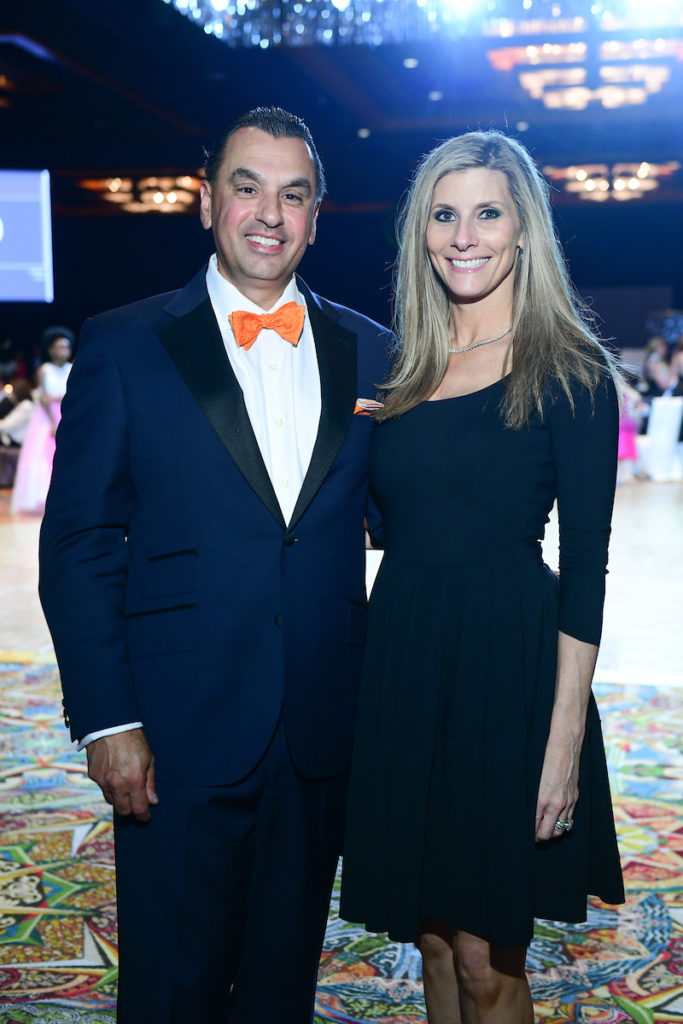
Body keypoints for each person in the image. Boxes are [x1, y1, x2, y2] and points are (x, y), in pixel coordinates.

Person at [39, 107, 392, 1023]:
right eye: (247, 187)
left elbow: (414, 514)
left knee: (281, 988)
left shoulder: (373, 350)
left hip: (319, 732)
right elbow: (78, 542)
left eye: (293, 194)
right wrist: (106, 718)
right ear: (207, 204)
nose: (268, 213)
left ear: (317, 215)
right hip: (175, 732)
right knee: (170, 987)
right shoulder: (124, 344)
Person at [340, 130, 625, 1024]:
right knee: (426, 935)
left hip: (507, 676)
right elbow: (383, 520)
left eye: (487, 213)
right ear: (420, 233)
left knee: (481, 956)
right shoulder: (396, 371)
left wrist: (562, 740)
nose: (465, 235)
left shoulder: (569, 370)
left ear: (522, 230)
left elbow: (585, 568)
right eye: (444, 214)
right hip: (401, 666)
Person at [11, 328, 73, 514]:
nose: (63, 351)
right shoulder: (44, 370)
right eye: (59, 347)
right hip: (48, 418)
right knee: (44, 457)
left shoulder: (72, 368)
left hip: (67, 413)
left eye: (66, 347)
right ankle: (43, 498)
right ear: (51, 349)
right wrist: (53, 421)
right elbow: (44, 398)